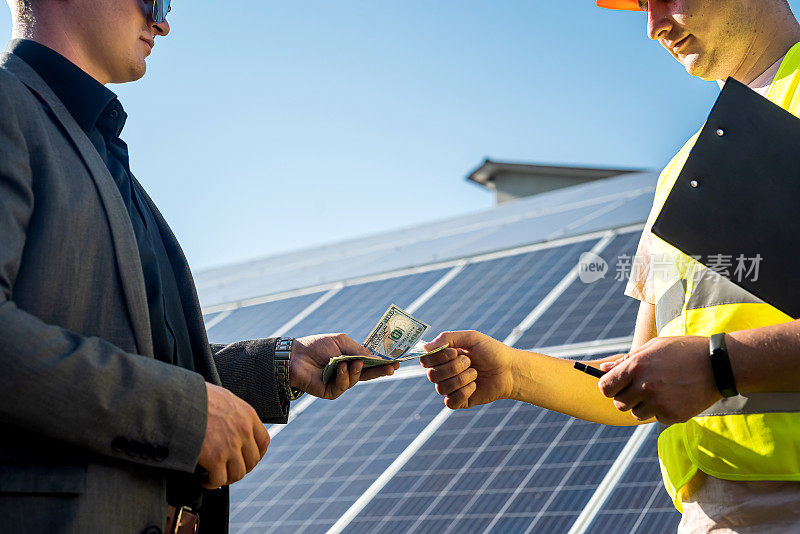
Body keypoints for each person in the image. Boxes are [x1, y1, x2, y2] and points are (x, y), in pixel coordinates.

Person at [0, 0, 399, 532]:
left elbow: (133, 354)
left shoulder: (97, 148)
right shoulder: (8, 109)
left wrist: (284, 364)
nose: (162, 21)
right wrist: (182, 415)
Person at [422, 0, 800, 531]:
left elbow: (697, 368)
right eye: (643, 5)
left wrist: (718, 366)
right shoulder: (682, 171)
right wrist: (513, 372)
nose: (653, 26)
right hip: (712, 511)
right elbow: (644, 372)